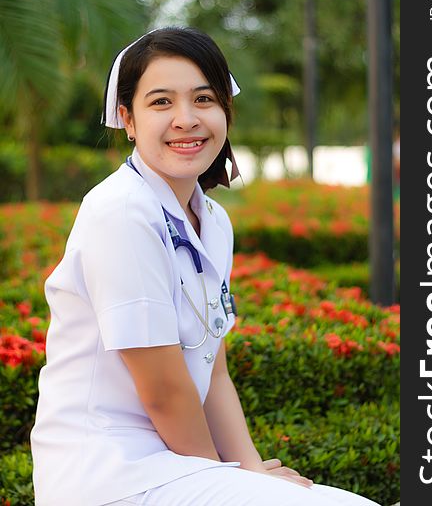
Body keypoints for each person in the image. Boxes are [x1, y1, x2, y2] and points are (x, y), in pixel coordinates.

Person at [30, 27, 380, 506]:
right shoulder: (120, 212)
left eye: (204, 99)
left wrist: (250, 468)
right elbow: (163, 391)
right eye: (161, 103)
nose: (186, 119)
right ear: (127, 119)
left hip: (171, 464)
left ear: (226, 112)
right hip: (110, 473)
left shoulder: (212, 221)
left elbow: (212, 370)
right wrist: (233, 479)